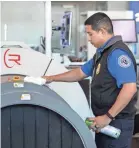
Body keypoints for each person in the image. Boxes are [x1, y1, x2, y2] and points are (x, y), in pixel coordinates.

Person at [43, 12, 137, 148]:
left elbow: (130, 88)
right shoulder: (102, 53)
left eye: (90, 34)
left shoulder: (117, 54)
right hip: (103, 121)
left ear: (102, 31)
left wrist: (107, 117)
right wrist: (50, 78)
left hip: (117, 121)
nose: (88, 39)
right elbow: (80, 73)